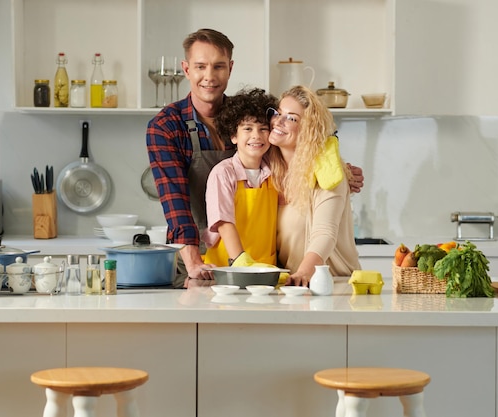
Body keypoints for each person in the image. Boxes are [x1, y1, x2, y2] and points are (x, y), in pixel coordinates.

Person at [146, 28, 364, 288]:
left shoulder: (248, 115)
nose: (209, 76)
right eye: (200, 66)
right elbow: (175, 202)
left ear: (230, 68)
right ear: (186, 68)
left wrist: (337, 170)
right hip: (203, 259)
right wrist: (194, 263)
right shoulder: (166, 126)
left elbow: (304, 130)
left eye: (218, 66)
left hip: (266, 265)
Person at [267, 85, 362, 287]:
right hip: (292, 286)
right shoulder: (267, 172)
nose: (279, 121)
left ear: (308, 129)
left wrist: (303, 272)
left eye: (292, 118)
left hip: (335, 285)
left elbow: (325, 233)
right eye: (278, 113)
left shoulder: (327, 173)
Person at [202, 87, 279, 267]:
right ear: (233, 135)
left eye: (263, 129)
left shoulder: (275, 172)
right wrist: (242, 263)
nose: (256, 135)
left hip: (266, 267)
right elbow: (224, 223)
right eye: (247, 128)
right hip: (228, 268)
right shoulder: (223, 173)